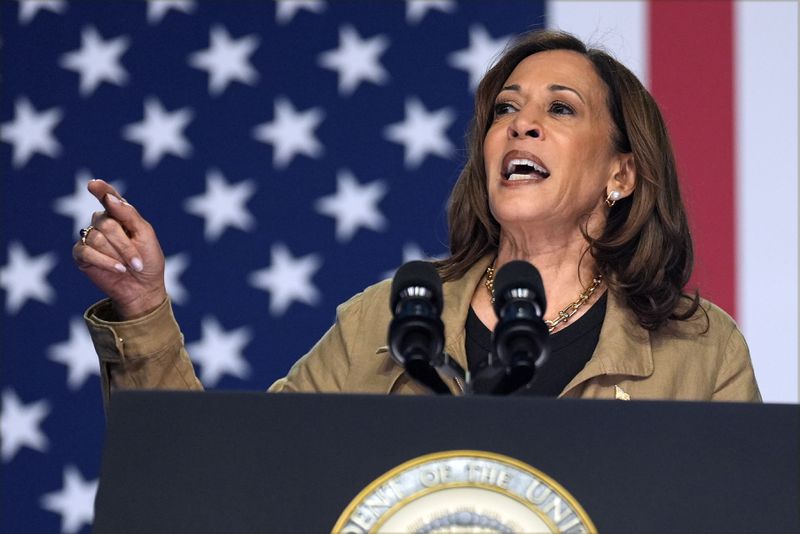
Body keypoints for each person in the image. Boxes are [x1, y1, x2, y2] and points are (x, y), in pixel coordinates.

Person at [74, 30, 760, 407]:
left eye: (559, 108)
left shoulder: (697, 352)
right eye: (504, 111)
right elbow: (227, 484)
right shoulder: (390, 319)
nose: (520, 126)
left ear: (622, 173)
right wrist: (144, 311)